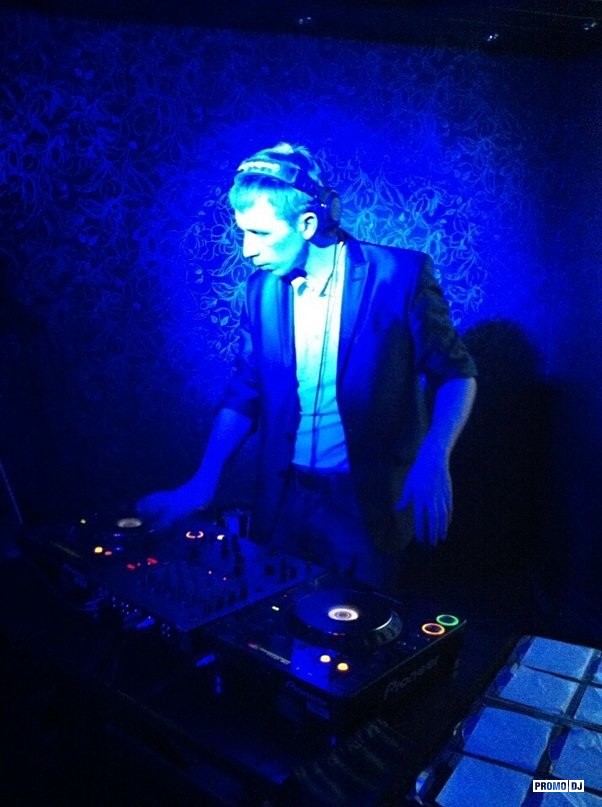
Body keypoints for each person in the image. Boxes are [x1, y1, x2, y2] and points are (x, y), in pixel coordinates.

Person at [138, 143, 477, 596]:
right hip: (283, 501)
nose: (247, 250)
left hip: (364, 505)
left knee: (357, 628)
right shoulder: (260, 291)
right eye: (243, 232)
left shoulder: (398, 275)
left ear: (308, 224)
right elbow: (244, 393)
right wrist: (201, 484)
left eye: (260, 233)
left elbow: (456, 374)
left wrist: (435, 455)